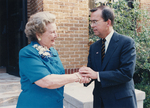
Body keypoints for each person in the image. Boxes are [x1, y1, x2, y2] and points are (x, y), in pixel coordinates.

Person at [16, 11, 90, 108]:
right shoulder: (27, 53)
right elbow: (46, 81)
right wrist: (77, 76)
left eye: (56, 31)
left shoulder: (53, 52)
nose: (56, 35)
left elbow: (58, 77)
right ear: (38, 35)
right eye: (52, 32)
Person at [79, 6, 137, 108]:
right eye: (91, 22)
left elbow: (126, 73)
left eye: (95, 21)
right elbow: (92, 72)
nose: (92, 25)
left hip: (121, 102)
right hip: (100, 102)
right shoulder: (94, 47)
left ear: (108, 22)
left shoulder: (126, 43)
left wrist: (97, 75)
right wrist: (85, 76)